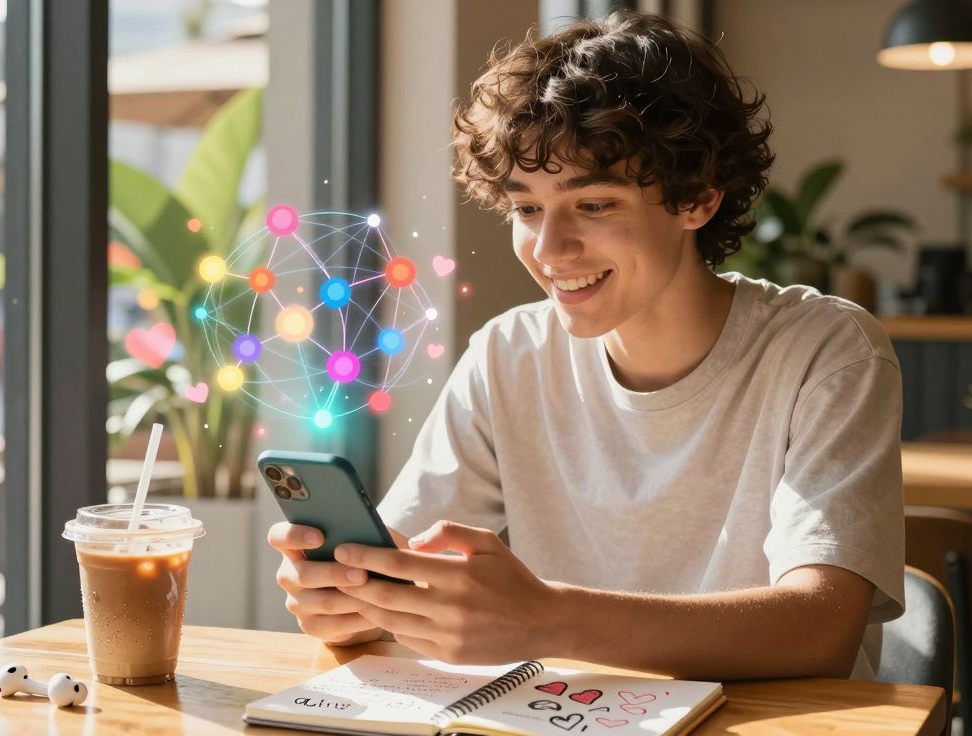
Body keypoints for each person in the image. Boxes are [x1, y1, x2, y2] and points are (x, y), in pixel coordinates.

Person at [268, 11, 903, 681]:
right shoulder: (506, 355)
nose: (548, 250)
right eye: (526, 208)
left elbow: (821, 628)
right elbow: (405, 571)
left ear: (698, 200)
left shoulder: (827, 351)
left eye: (594, 205)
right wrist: (356, 598)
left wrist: (550, 618)